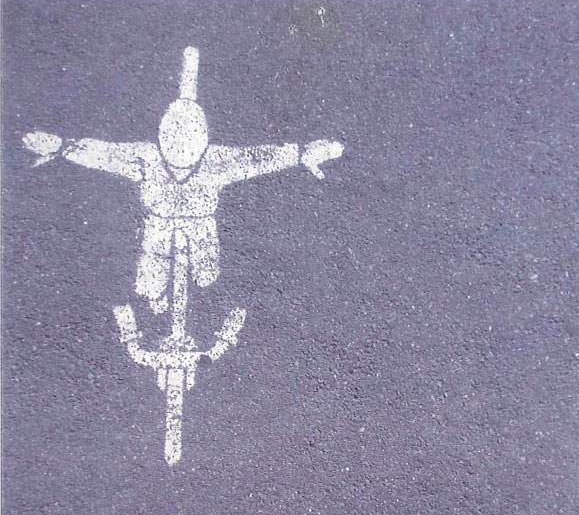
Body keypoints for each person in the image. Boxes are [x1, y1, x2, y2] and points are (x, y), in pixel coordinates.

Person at [23, 47, 344, 315]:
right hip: (159, 224)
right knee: (151, 278)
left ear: (202, 137)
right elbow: (104, 153)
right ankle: (155, 298)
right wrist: (62, 147)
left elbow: (258, 158)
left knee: (206, 275)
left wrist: (301, 153)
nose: (180, 148)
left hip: (201, 225)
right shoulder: (147, 158)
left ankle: (202, 298)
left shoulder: (214, 161)